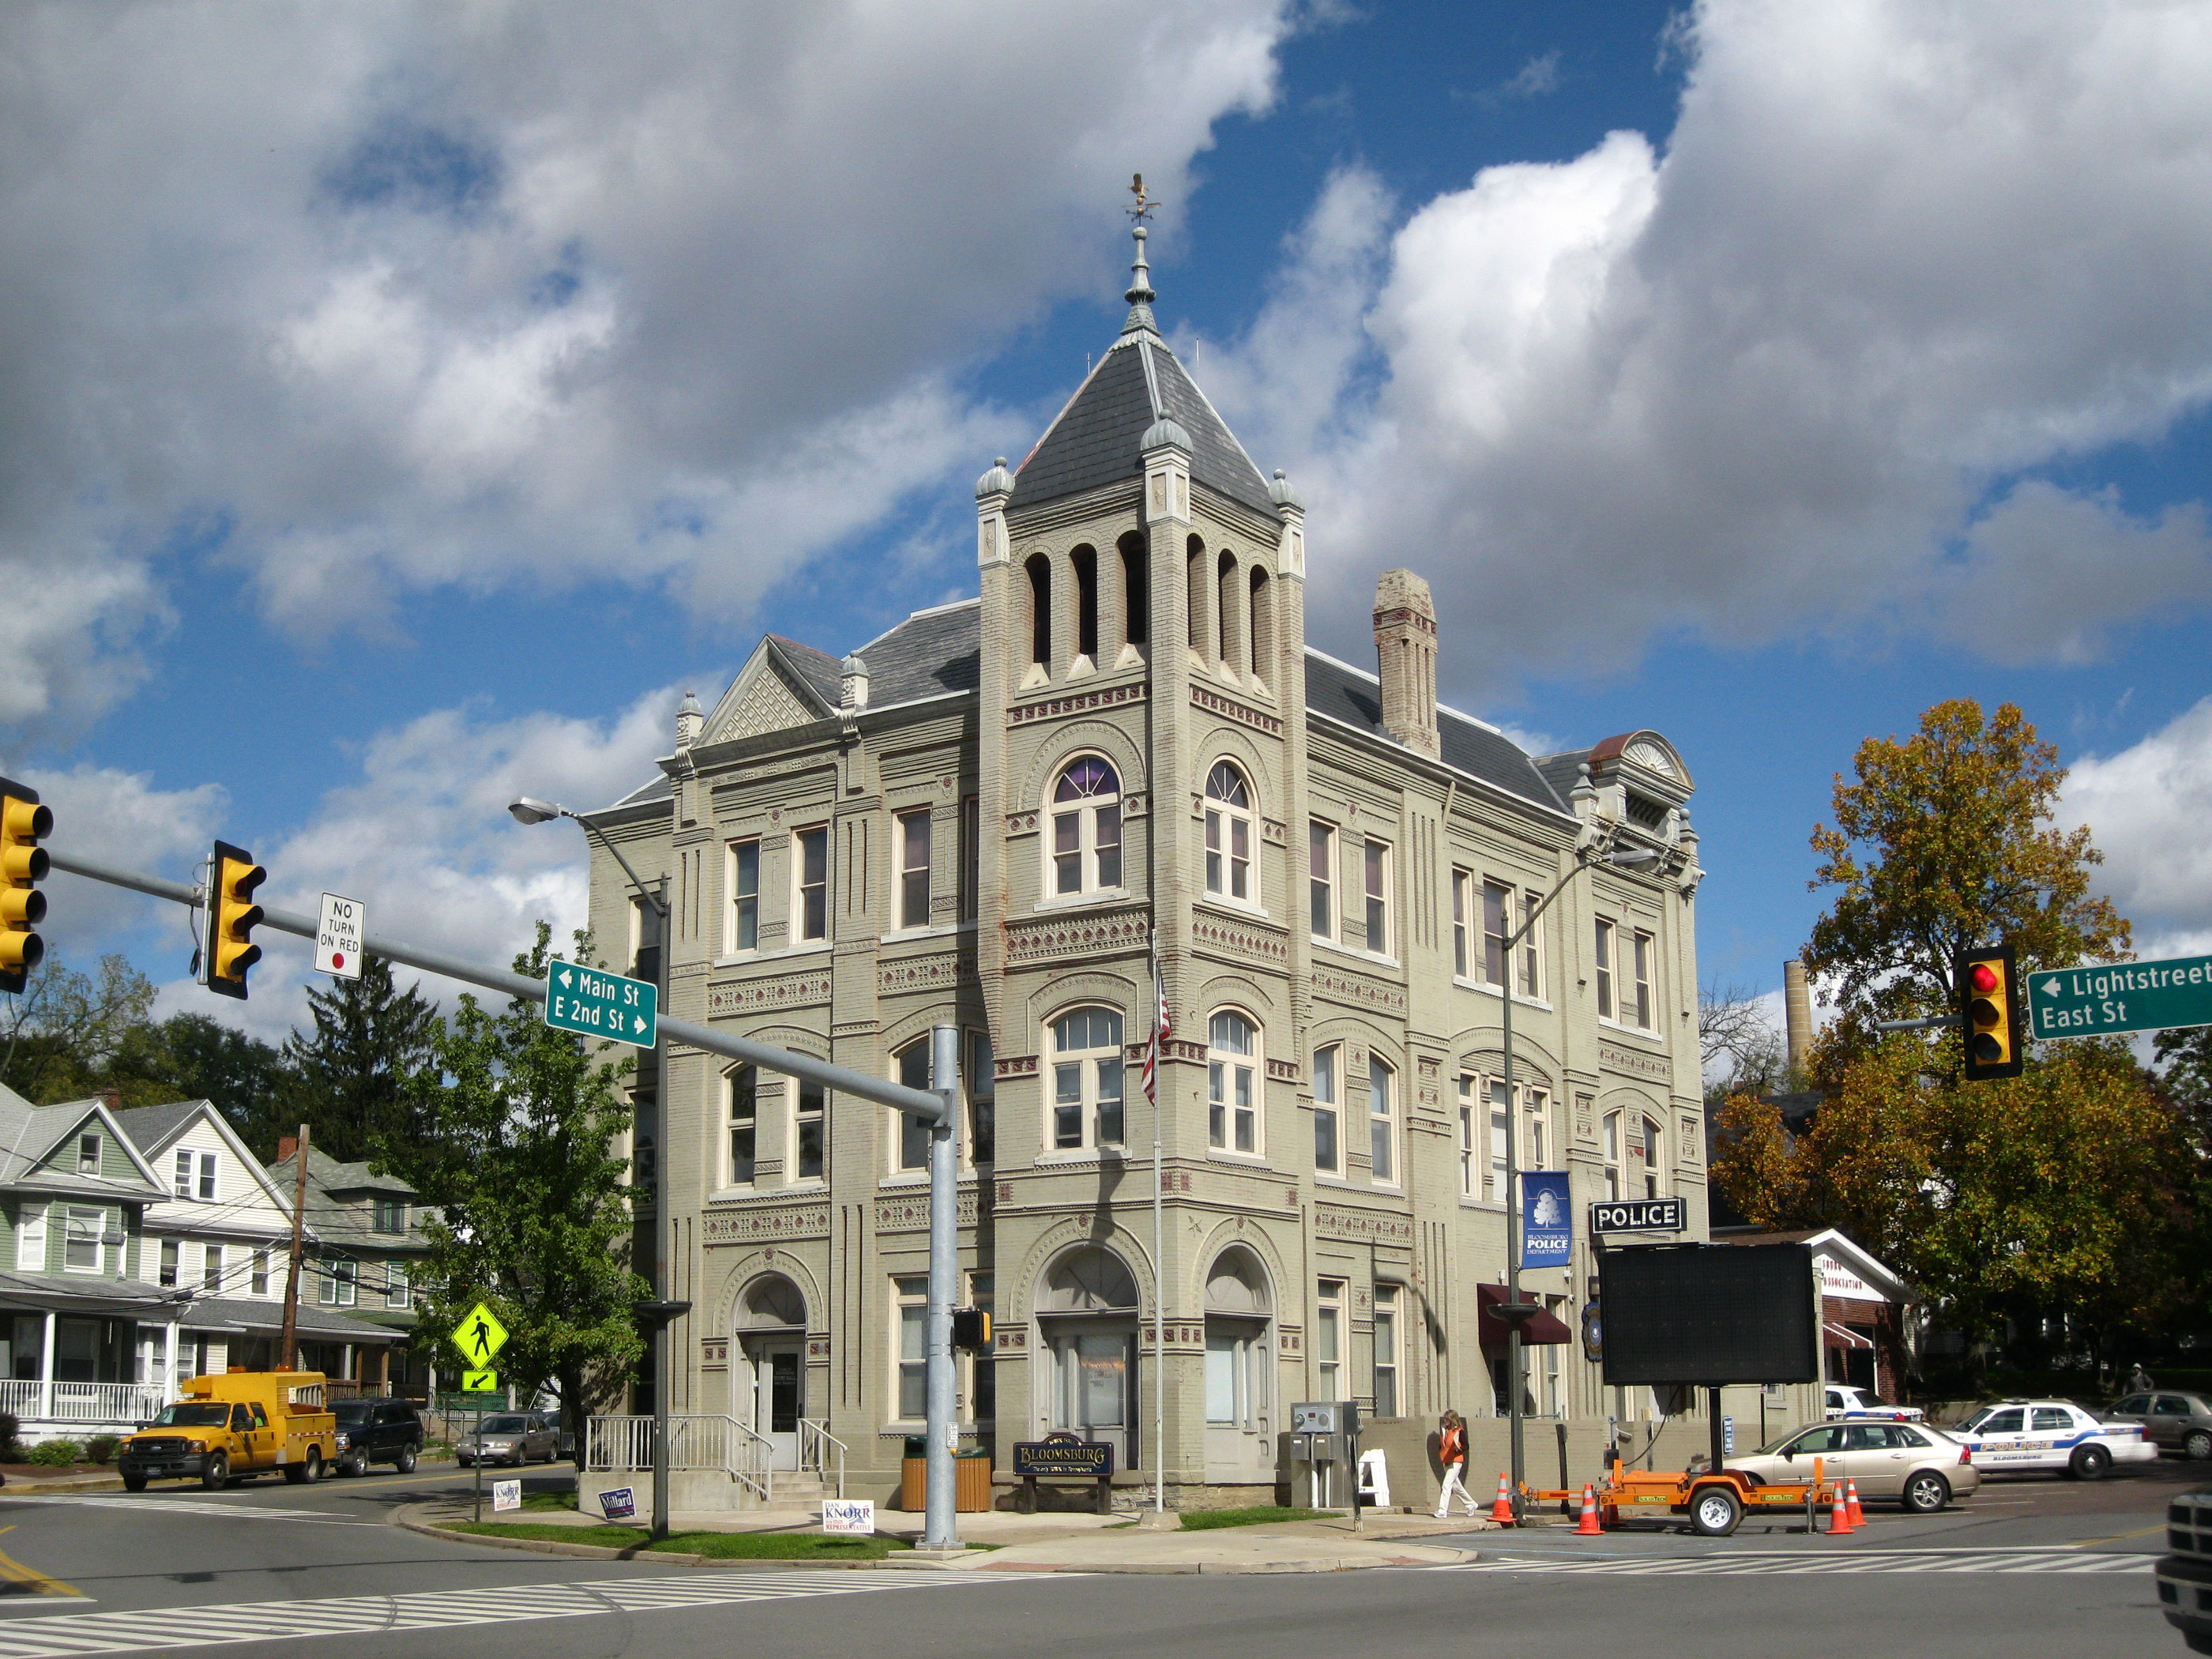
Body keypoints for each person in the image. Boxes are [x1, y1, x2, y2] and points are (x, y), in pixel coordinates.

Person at [1433, 1409, 1479, 1519]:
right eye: (1445, 1419)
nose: (1445, 1421)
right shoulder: (1445, 1431)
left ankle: (1442, 1511)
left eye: (1447, 1419)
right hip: (1447, 1461)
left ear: (1452, 1419)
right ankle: (1471, 1504)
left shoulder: (1459, 1431)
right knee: (1456, 1487)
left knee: (1446, 1485)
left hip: (1456, 1461)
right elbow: (1442, 1445)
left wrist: (1458, 1450)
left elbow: (1466, 1446)